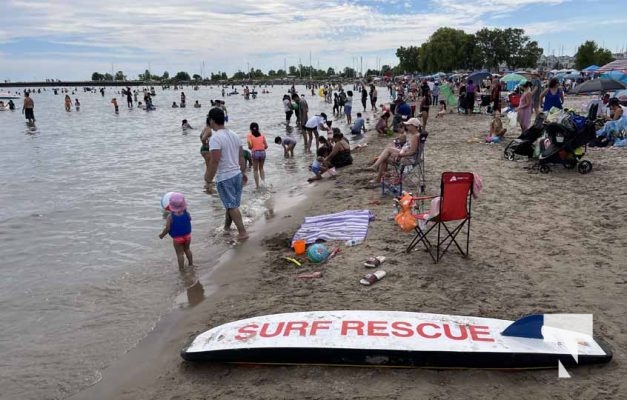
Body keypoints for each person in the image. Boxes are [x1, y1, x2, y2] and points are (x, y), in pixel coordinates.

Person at [206, 107, 248, 241]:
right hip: (237, 174)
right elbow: (241, 156)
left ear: (212, 120)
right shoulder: (234, 134)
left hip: (225, 177)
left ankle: (242, 232)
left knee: (231, 206)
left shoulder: (215, 138)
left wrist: (208, 178)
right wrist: (243, 171)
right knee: (231, 205)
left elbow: (214, 161)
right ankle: (226, 228)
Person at [369, 118, 421, 183]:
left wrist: (400, 154)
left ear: (413, 126)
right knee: (386, 155)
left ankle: (376, 169)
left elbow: (412, 151)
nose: (406, 127)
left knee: (388, 150)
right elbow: (410, 149)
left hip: (407, 160)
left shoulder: (415, 137)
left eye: (408, 125)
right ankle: (377, 173)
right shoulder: (416, 135)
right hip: (408, 157)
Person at [159, 192, 194, 270]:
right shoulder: (187, 213)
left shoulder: (170, 217)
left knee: (179, 254)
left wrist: (162, 235)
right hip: (187, 236)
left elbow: (167, 229)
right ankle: (191, 264)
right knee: (187, 249)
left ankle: (181, 269)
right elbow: (190, 219)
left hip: (177, 239)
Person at [246, 122, 268, 189]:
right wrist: (261, 149)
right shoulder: (262, 135)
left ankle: (257, 186)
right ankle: (264, 183)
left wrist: (250, 146)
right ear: (258, 128)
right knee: (261, 168)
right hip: (263, 152)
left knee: (255, 170)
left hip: (255, 153)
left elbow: (250, 147)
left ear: (250, 129)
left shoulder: (249, 135)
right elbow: (266, 146)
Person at [200, 118, 212, 189]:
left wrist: (203, 144)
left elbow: (201, 136)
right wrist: (206, 144)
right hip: (206, 149)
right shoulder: (208, 129)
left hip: (203, 149)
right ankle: (207, 183)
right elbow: (203, 138)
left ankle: (207, 183)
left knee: (208, 166)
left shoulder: (205, 128)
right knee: (209, 167)